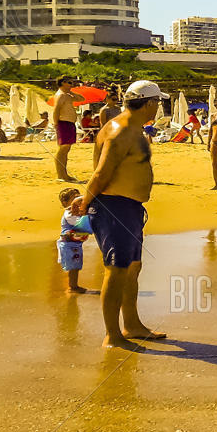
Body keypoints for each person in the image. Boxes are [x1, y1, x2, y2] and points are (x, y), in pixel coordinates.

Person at [84, 80, 166, 348]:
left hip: (129, 208)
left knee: (132, 268)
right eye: (158, 102)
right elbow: (101, 173)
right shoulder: (120, 130)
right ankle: (112, 334)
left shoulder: (133, 128)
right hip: (114, 207)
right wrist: (85, 202)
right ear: (149, 103)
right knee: (116, 270)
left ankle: (131, 325)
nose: (159, 107)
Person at [56, 186, 92, 295]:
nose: (78, 200)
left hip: (75, 244)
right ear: (65, 202)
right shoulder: (69, 213)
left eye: (79, 197)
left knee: (76, 265)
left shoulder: (77, 212)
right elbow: (77, 222)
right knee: (73, 266)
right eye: (75, 198)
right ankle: (72, 287)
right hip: (68, 245)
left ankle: (74, 285)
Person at [53, 74, 82, 181]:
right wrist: (56, 123)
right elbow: (56, 110)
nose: (72, 84)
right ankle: (61, 175)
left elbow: (81, 98)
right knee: (63, 149)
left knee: (66, 149)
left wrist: (71, 92)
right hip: (63, 123)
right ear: (63, 83)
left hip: (69, 123)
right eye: (69, 82)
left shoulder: (67, 95)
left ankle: (64, 174)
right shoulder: (61, 95)